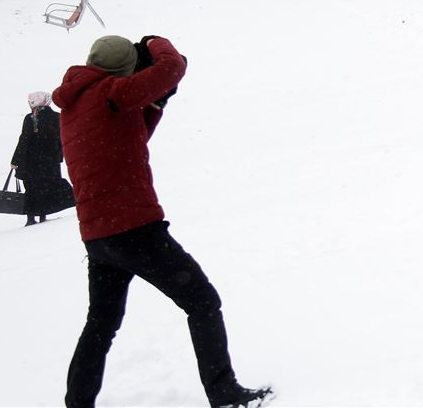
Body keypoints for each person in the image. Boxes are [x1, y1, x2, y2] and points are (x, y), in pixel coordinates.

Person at [52, 35, 274, 408]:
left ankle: (78, 404)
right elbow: (172, 67)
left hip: (99, 238)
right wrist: (155, 42)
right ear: (124, 69)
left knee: (100, 326)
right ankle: (225, 393)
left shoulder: (76, 104)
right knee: (203, 302)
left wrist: (154, 105)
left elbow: (127, 142)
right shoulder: (113, 91)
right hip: (135, 230)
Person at [10, 91, 66, 226]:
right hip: (50, 161)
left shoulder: (30, 118)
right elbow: (61, 139)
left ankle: (30, 218)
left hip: (32, 161)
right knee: (46, 187)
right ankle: (43, 214)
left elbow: (24, 140)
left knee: (31, 188)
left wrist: (16, 160)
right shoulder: (57, 117)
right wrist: (59, 156)